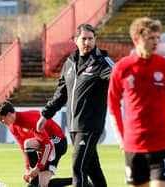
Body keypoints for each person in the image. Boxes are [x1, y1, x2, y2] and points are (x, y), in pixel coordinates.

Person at [107, 17, 165, 187]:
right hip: (133, 147)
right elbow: (113, 105)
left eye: (157, 38)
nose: (156, 42)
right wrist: (121, 139)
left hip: (162, 146)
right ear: (136, 39)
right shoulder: (122, 68)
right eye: (150, 38)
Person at [36, 23, 113, 187]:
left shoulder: (102, 61)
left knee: (78, 167)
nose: (87, 42)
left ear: (95, 40)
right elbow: (61, 93)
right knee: (93, 169)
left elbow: (118, 76)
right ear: (75, 40)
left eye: (91, 39)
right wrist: (46, 115)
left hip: (90, 125)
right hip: (73, 126)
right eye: (84, 39)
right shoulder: (69, 63)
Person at [0, 100, 72, 187]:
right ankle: (78, 181)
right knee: (42, 185)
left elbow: (48, 145)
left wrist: (37, 168)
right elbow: (24, 149)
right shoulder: (13, 127)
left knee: (28, 143)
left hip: (58, 142)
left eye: (1, 119)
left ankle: (35, 178)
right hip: (45, 146)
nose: (1, 122)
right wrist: (28, 169)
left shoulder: (29, 119)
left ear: (9, 114)